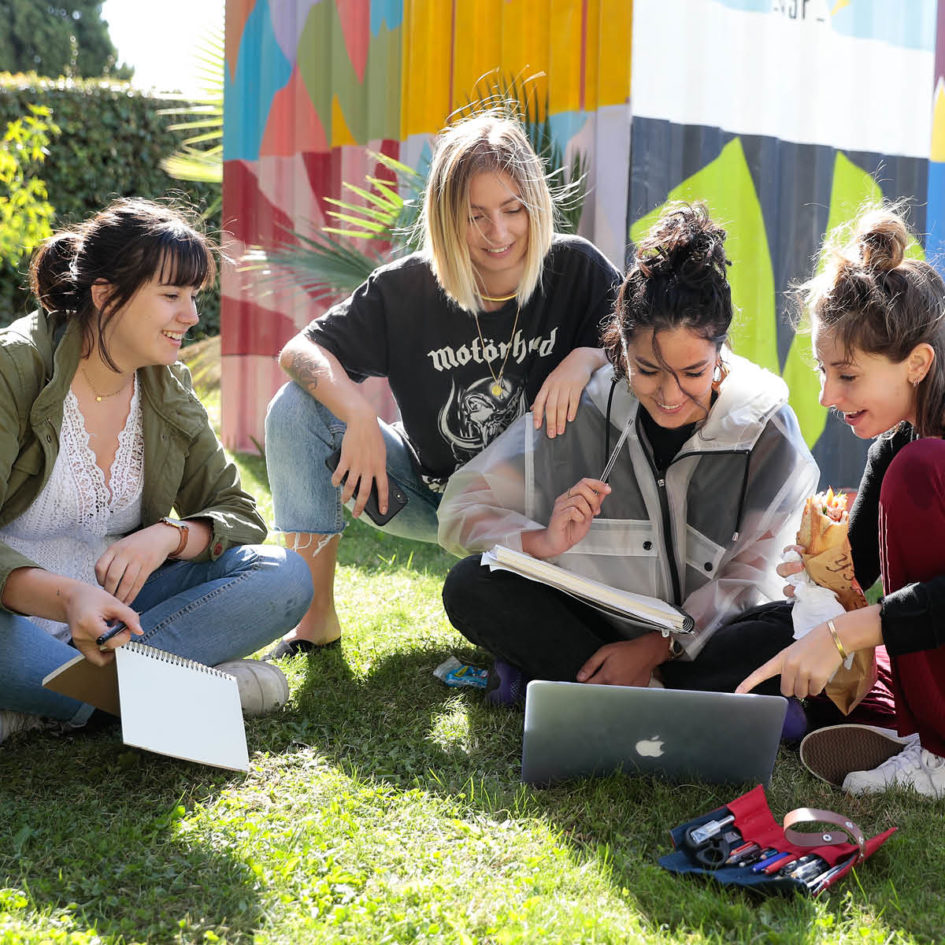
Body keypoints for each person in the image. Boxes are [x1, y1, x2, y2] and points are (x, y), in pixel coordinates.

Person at [263, 111, 621, 658]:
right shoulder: (406, 286)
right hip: (429, 494)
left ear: (536, 206)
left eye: (512, 209)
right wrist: (359, 416)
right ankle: (315, 623)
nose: (498, 233)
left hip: (547, 506)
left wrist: (588, 355)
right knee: (295, 409)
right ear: (445, 216)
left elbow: (648, 352)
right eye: (475, 216)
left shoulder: (577, 268)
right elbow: (300, 351)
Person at [438, 203, 819, 709]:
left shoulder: (766, 429)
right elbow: (460, 510)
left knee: (786, 627)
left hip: (706, 640)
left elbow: (751, 581)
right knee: (471, 586)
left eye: (693, 372)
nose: (669, 394)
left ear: (720, 352)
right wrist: (543, 540)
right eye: (647, 370)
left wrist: (657, 648)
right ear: (619, 348)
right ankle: (693, 706)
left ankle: (577, 688)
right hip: (598, 627)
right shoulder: (583, 406)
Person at [0, 198, 313, 745]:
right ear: (104, 297)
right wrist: (68, 597)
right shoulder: (15, 367)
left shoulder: (166, 386)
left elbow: (237, 513)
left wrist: (169, 536)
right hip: (17, 612)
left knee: (284, 575)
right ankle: (185, 689)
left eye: (193, 296)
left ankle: (64, 702)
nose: (191, 316)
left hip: (122, 615)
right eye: (171, 296)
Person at [737, 205, 945, 797]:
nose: (828, 395)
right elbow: (852, 579)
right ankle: (919, 730)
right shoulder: (897, 445)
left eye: (847, 376)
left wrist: (838, 637)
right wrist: (814, 576)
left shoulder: (920, 464)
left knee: (920, 469)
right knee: (748, 637)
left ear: (918, 364)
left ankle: (938, 750)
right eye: (823, 372)